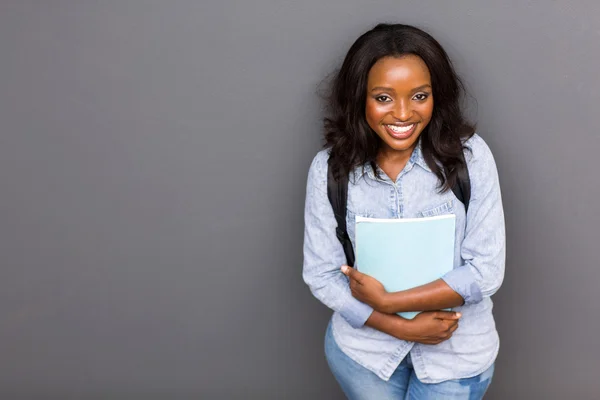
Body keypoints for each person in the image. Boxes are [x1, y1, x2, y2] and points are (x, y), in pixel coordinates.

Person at [302, 23, 505, 399]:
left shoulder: (471, 158)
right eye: (383, 97)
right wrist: (399, 325)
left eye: (419, 96)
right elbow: (322, 274)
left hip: (456, 357)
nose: (402, 113)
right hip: (364, 356)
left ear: (436, 95)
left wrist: (389, 300)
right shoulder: (330, 169)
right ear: (359, 97)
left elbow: (485, 271)